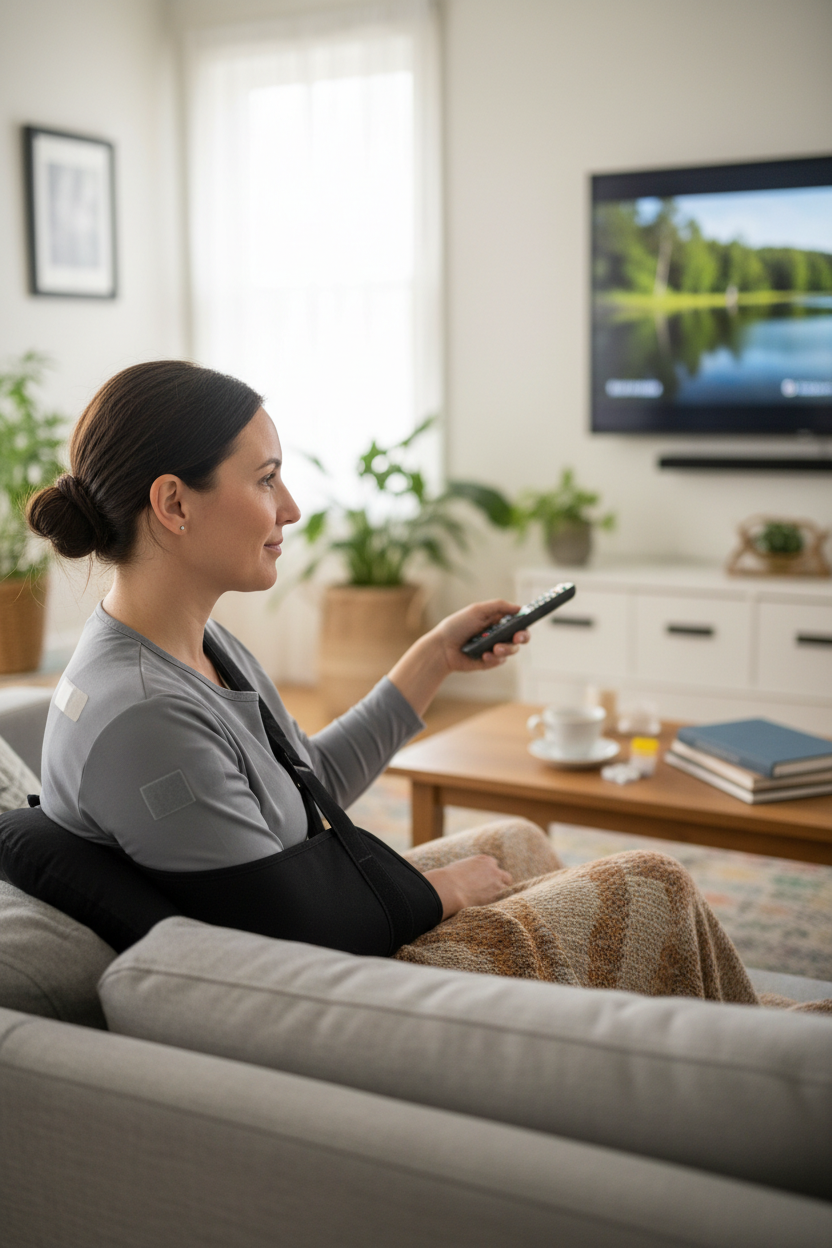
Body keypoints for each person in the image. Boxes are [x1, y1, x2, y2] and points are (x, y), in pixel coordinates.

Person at [25, 361, 815, 1009]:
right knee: (653, 884)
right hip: (335, 992)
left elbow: (309, 788)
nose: (291, 509)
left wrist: (433, 657)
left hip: (331, 937)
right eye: (265, 480)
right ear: (173, 504)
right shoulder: (143, 717)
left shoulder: (188, 647)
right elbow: (277, 938)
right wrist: (439, 892)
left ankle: (709, 1035)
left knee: (517, 839)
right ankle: (757, 1055)